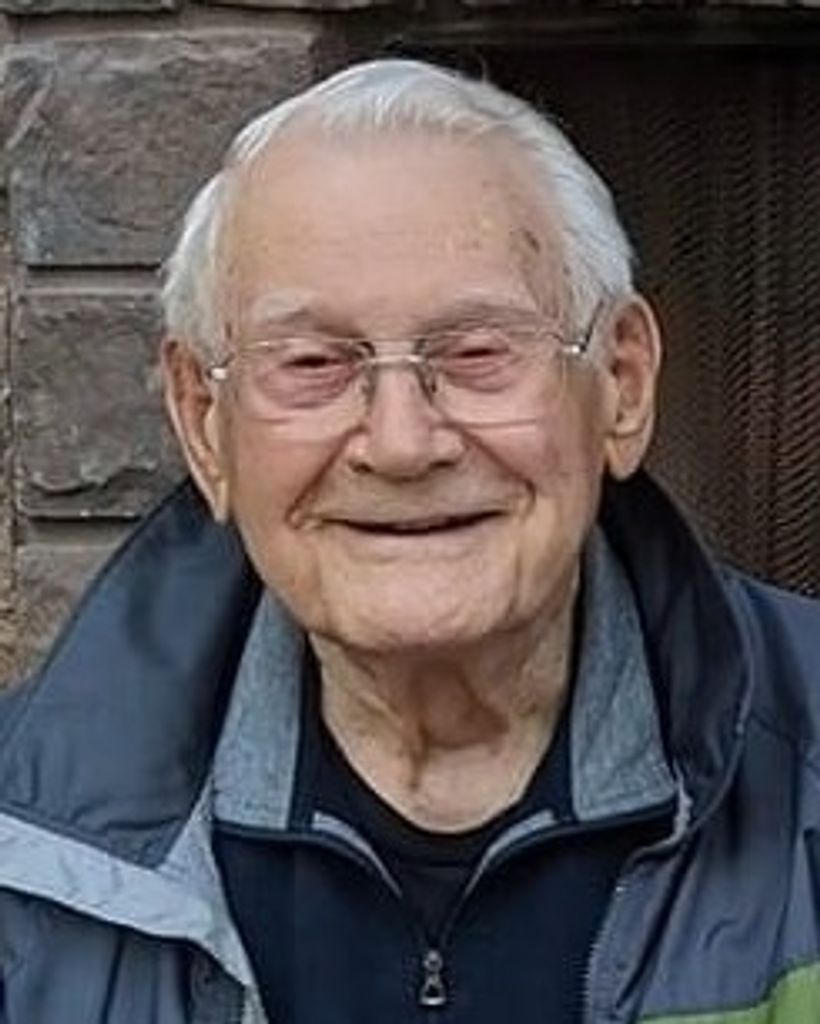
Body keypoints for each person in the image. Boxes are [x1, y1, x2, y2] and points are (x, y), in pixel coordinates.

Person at [0, 57, 818, 1024]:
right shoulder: (27, 849)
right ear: (203, 420)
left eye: (477, 352)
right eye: (312, 362)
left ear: (623, 384)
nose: (400, 443)